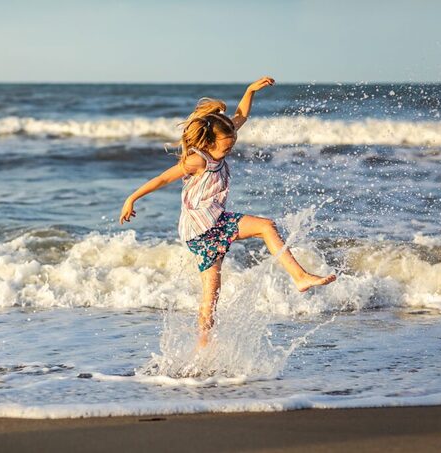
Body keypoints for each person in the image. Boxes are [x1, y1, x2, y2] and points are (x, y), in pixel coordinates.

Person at [119, 77, 336, 348]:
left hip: (208, 226)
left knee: (215, 287)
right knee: (260, 233)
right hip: (203, 227)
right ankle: (298, 278)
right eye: (226, 146)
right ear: (209, 142)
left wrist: (249, 91)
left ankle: (204, 345)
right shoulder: (198, 159)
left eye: (232, 143)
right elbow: (163, 178)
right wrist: (132, 198)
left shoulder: (221, 135)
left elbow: (240, 116)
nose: (230, 148)